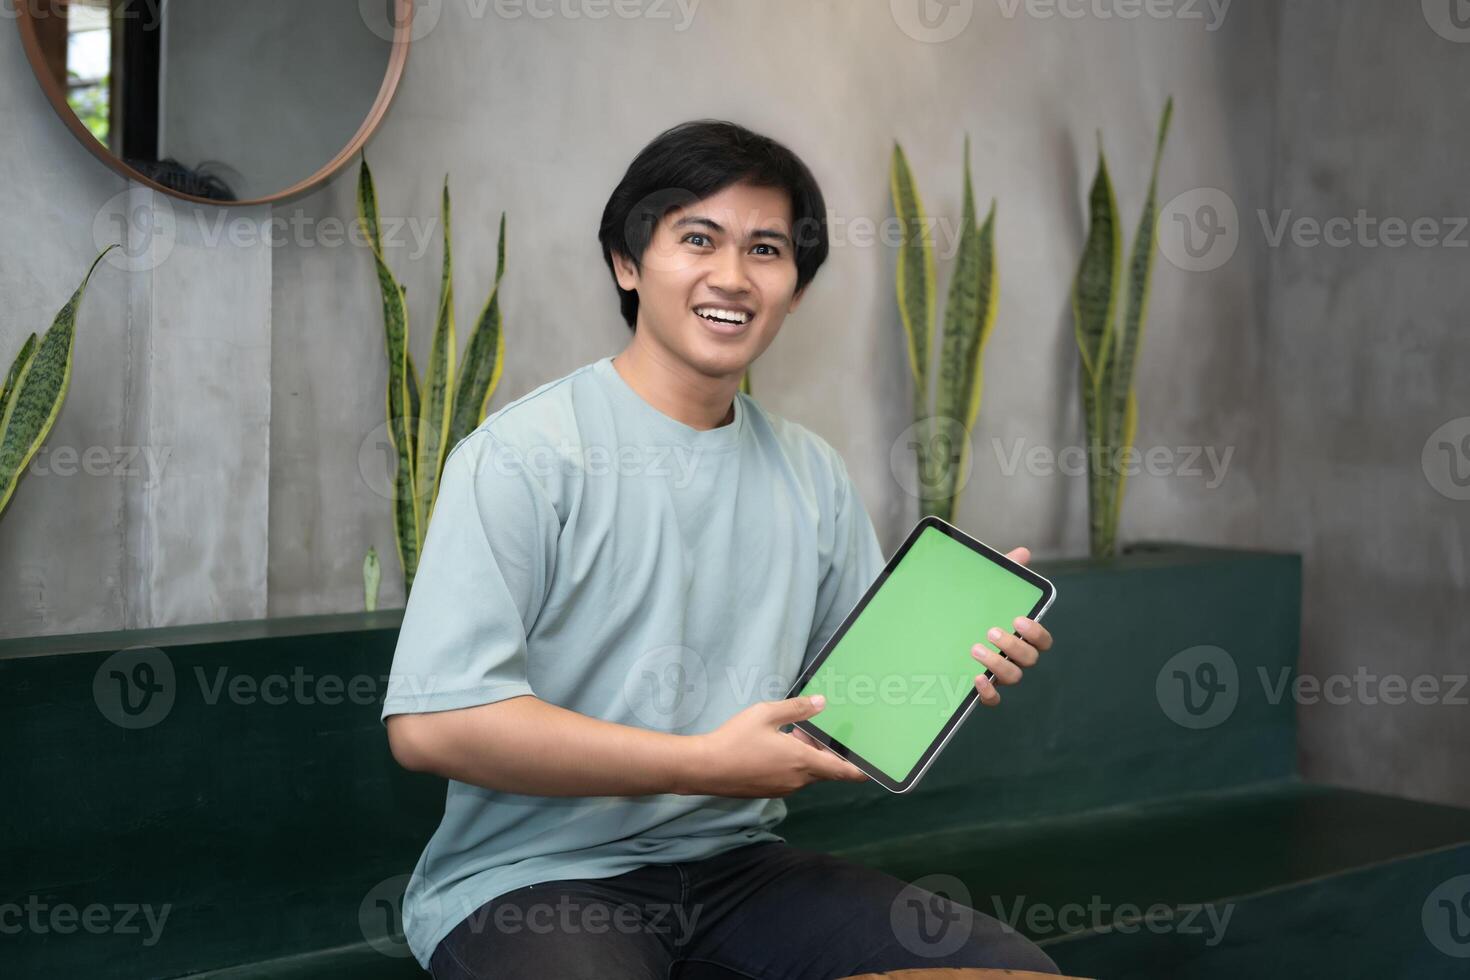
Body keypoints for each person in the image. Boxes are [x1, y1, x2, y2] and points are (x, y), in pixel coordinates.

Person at [381, 118, 1059, 979]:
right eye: (698, 238)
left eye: (766, 249)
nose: (732, 276)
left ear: (795, 290)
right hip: (531, 881)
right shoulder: (521, 457)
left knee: (1011, 973)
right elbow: (434, 727)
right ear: (627, 264)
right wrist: (702, 763)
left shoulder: (811, 473)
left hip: (739, 870)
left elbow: (838, 715)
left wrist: (951, 664)